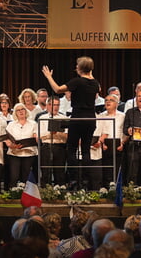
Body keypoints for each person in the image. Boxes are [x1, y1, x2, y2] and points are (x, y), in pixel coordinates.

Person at [42, 56, 100, 190]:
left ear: (80, 68)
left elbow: (57, 89)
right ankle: (85, 182)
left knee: (72, 149)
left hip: (78, 117)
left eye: (77, 66)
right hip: (90, 119)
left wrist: (49, 77)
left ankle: (73, 181)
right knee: (86, 150)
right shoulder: (96, 83)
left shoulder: (77, 81)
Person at [95, 94, 125, 186]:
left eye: (111, 100)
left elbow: (124, 132)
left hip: (118, 145)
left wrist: (123, 143)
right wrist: (101, 142)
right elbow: (98, 132)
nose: (108, 102)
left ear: (116, 104)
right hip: (105, 145)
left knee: (117, 170)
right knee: (107, 170)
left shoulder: (122, 116)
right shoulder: (101, 116)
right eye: (106, 100)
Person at [37, 96, 68, 186]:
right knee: (46, 171)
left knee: (60, 172)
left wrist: (57, 133)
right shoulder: (42, 118)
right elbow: (40, 136)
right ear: (48, 105)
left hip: (60, 147)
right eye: (54, 105)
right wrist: (50, 134)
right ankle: (45, 192)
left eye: (58, 105)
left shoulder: (63, 118)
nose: (56, 107)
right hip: (46, 147)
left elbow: (66, 137)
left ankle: (60, 192)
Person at [5, 103, 38, 187]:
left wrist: (36, 138)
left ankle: (26, 197)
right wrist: (12, 145)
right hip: (14, 153)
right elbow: (7, 139)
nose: (20, 111)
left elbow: (36, 136)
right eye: (18, 110)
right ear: (15, 113)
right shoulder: (11, 125)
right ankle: (13, 196)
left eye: (22, 109)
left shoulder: (33, 124)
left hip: (29, 153)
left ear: (25, 111)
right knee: (14, 177)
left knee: (26, 177)